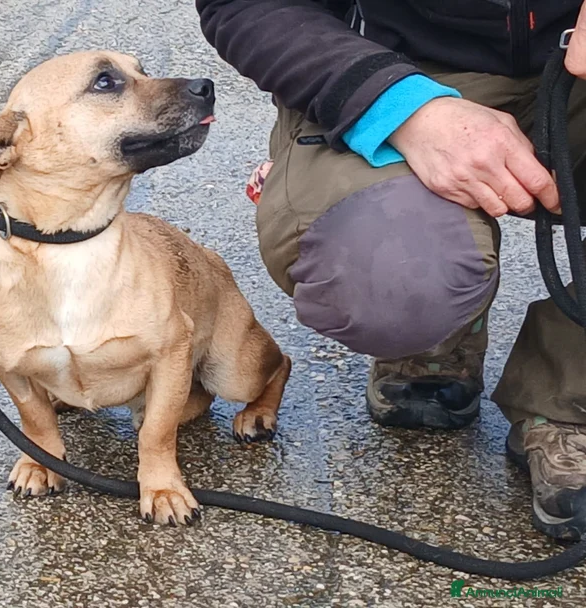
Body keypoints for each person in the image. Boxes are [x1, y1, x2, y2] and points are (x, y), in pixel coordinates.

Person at [196, 0, 586, 539]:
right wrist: (399, 106)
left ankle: (570, 397)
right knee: (387, 274)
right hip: (402, 63)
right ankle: (434, 343)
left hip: (576, 71)